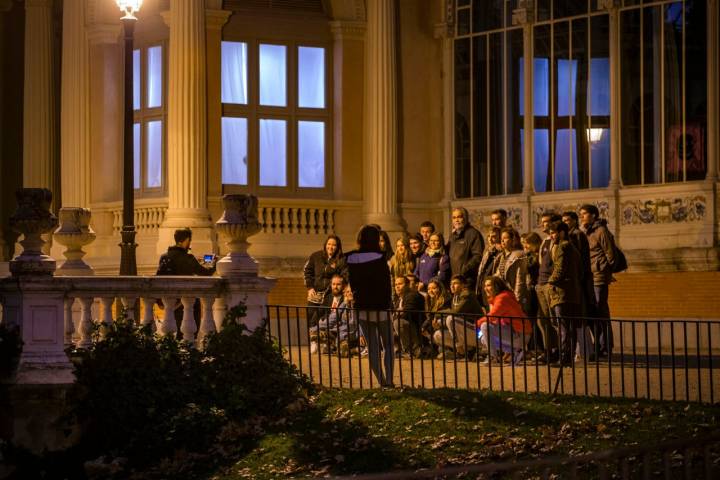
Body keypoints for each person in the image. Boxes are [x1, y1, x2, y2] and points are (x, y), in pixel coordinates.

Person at [346, 225, 394, 387]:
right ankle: (389, 380)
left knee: (372, 347)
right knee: (387, 344)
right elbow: (386, 284)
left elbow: (353, 283)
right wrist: (389, 303)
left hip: (362, 306)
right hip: (380, 306)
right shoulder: (380, 257)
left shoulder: (352, 258)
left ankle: (381, 382)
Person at [156, 228, 216, 338]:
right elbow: (205, 273)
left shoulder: (164, 257)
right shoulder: (188, 258)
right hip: (186, 302)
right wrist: (213, 264)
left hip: (169, 301)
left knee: (174, 332)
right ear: (186, 240)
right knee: (189, 333)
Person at [547, 221, 591, 365]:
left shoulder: (563, 247)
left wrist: (549, 282)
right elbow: (580, 271)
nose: (551, 236)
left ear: (561, 232)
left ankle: (565, 358)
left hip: (562, 293)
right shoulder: (572, 247)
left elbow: (559, 270)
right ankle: (568, 357)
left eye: (553, 233)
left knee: (563, 328)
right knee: (569, 328)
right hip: (572, 292)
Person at [580, 204, 617, 357]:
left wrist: (603, 269)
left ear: (594, 215)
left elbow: (611, 255)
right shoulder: (586, 232)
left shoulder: (601, 231)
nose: (582, 217)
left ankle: (604, 346)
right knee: (593, 312)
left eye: (585, 214)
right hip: (590, 277)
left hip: (599, 277)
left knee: (601, 311)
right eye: (581, 214)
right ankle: (598, 345)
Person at [476, 276, 533, 364]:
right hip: (516, 333)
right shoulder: (498, 298)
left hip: (520, 334)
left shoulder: (502, 298)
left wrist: (477, 323)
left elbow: (492, 316)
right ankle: (516, 351)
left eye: (489, 285)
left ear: (497, 286)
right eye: (485, 286)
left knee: (484, 326)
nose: (485, 288)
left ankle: (493, 357)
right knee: (483, 338)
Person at [303, 235, 348, 331]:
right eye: (329, 244)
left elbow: (344, 276)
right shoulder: (315, 256)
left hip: (329, 295)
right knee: (311, 317)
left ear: (338, 247)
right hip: (314, 294)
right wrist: (310, 287)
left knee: (325, 319)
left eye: (334, 245)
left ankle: (325, 342)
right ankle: (313, 341)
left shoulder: (341, 259)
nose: (331, 247)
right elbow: (307, 271)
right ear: (325, 244)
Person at [433, 275, 483, 359]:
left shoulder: (467, 295)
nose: (452, 286)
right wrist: (439, 325)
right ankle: (468, 351)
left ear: (463, 285)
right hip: (466, 331)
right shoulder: (455, 297)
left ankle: (460, 350)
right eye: (451, 284)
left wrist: (437, 313)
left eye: (455, 283)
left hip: (479, 333)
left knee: (450, 319)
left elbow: (455, 313)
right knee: (437, 335)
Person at [534, 212, 562, 362]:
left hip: (550, 285)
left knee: (553, 319)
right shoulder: (544, 242)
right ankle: (548, 349)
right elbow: (541, 263)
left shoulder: (556, 241)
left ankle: (559, 349)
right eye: (542, 221)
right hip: (541, 283)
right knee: (542, 319)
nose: (543, 224)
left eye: (546, 222)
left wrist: (551, 282)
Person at [308, 275, 357, 357]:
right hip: (341, 332)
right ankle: (332, 342)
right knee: (341, 351)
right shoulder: (339, 302)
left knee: (342, 351)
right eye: (347, 292)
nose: (349, 294)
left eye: (351, 292)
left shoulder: (356, 306)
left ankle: (350, 349)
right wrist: (314, 329)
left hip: (352, 333)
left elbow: (354, 324)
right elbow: (333, 317)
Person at [563, 211, 597, 318]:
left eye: (567, 220)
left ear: (574, 221)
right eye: (563, 221)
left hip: (580, 276)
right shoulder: (568, 234)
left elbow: (580, 256)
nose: (565, 223)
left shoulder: (577, 234)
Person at [490, 227, 529, 314]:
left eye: (505, 238)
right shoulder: (500, 256)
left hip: (514, 295)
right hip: (503, 295)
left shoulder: (519, 255)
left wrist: (517, 298)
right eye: (501, 239)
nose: (502, 241)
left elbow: (520, 279)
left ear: (512, 239)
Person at [447, 207, 484, 292]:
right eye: (454, 218)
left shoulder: (473, 234)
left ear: (466, 218)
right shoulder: (452, 236)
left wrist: (463, 270)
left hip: (466, 280)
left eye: (459, 217)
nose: (456, 220)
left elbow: (477, 256)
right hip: (454, 280)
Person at [392, 276, 426, 357]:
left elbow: (407, 314)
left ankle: (410, 349)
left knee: (398, 322)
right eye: (395, 284)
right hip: (408, 329)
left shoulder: (412, 295)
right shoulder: (399, 299)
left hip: (418, 331)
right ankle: (396, 350)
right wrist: (399, 313)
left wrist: (399, 313)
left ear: (407, 285)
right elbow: (395, 315)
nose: (397, 286)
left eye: (400, 284)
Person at [420, 278, 451, 355]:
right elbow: (430, 317)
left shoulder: (445, 299)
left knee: (437, 323)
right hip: (435, 326)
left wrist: (426, 325)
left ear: (440, 288)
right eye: (429, 289)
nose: (431, 291)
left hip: (445, 325)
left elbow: (437, 315)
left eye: (434, 288)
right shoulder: (429, 301)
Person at [476, 226, 502, 307]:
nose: (490, 239)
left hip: (494, 289)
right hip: (484, 287)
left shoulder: (501, 253)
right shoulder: (487, 252)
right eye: (488, 236)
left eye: (493, 237)